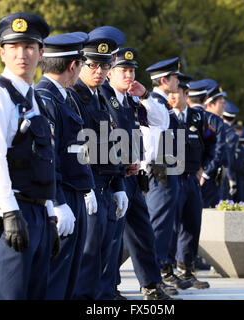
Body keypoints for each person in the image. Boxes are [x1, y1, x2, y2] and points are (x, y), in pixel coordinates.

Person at [0, 12, 59, 300]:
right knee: (7, 295)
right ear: (2, 53)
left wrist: (50, 214)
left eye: (30, 47)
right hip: (11, 209)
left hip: (37, 212)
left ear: (41, 53)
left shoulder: (34, 98)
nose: (23, 54)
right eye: (14, 47)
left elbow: (44, 161)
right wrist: (9, 212)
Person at [99, 47, 176, 300]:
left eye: (132, 70)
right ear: (110, 72)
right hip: (111, 178)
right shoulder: (102, 96)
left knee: (143, 232)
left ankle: (151, 284)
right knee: (111, 237)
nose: (129, 75)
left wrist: (145, 96)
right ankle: (110, 287)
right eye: (123, 70)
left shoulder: (132, 99)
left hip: (132, 176)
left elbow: (160, 122)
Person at [35, 31, 96, 299]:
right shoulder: (46, 98)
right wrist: (58, 202)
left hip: (73, 193)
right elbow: (49, 158)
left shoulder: (62, 97)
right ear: (73, 66)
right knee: (57, 279)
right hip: (63, 197)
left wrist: (87, 187)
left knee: (70, 276)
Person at [69, 32, 129, 299]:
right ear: (80, 63)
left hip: (107, 186)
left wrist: (118, 184)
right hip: (88, 187)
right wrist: (85, 188)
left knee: (108, 256)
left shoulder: (102, 97)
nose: (99, 71)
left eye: (104, 65)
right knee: (88, 259)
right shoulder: (72, 97)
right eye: (92, 65)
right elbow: (75, 149)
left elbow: (115, 142)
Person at [142, 58, 192, 290]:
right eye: (174, 78)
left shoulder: (161, 103)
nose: (177, 82)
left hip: (168, 169)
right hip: (160, 170)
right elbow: (150, 139)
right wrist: (154, 164)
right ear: (164, 81)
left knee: (165, 226)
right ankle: (156, 276)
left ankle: (161, 271)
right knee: (158, 226)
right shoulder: (153, 103)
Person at [168, 73, 215, 289]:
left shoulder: (197, 117)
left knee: (191, 224)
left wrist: (203, 167)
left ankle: (187, 270)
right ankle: (166, 270)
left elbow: (211, 143)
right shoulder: (165, 115)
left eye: (176, 93)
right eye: (170, 93)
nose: (172, 97)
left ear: (186, 94)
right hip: (171, 178)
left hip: (191, 179)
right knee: (170, 226)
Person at [199, 80, 227, 208]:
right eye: (221, 103)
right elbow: (218, 150)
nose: (223, 106)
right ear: (210, 103)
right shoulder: (214, 121)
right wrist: (206, 173)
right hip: (206, 176)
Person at [220, 100, 240, 200]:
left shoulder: (214, 127)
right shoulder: (232, 134)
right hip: (224, 174)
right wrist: (231, 177)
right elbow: (230, 157)